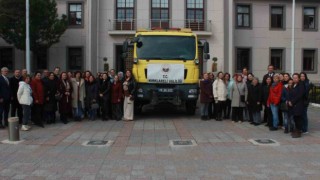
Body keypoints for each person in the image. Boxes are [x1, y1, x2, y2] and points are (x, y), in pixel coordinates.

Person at [288, 73, 306, 138]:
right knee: (295, 118)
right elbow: (290, 93)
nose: (294, 79)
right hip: (293, 105)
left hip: (298, 105)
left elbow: (299, 95)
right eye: (293, 78)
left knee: (298, 118)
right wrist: (289, 101)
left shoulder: (301, 85)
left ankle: (299, 132)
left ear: (298, 78)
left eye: (296, 78)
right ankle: (296, 130)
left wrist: (292, 102)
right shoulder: (293, 85)